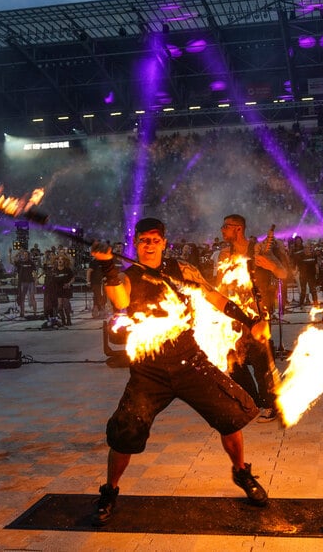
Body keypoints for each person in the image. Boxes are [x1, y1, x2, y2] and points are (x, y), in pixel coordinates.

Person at [89, 217, 269, 527]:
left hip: (188, 360)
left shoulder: (182, 270)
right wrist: (107, 266)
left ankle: (241, 472)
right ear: (135, 244)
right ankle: (110, 491)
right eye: (143, 240)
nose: (149, 245)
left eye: (155, 240)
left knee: (230, 416)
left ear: (163, 243)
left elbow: (213, 296)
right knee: (125, 432)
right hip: (149, 369)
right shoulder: (128, 275)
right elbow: (119, 299)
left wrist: (249, 319)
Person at [217, 214, 286, 422]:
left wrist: (270, 266)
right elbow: (220, 285)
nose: (222, 230)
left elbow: (283, 273)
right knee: (233, 363)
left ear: (238, 228)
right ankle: (252, 402)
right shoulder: (223, 255)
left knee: (260, 362)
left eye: (226, 226)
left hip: (257, 314)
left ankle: (270, 404)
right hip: (233, 316)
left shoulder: (258, 250)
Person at [8, 247, 37, 318]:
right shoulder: (20, 262)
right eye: (24, 255)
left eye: (26, 255)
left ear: (28, 255)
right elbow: (11, 261)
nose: (25, 256)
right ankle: (22, 312)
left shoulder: (31, 263)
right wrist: (11, 253)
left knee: (32, 297)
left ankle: (35, 313)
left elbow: (35, 272)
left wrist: (36, 281)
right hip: (22, 282)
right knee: (22, 298)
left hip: (30, 282)